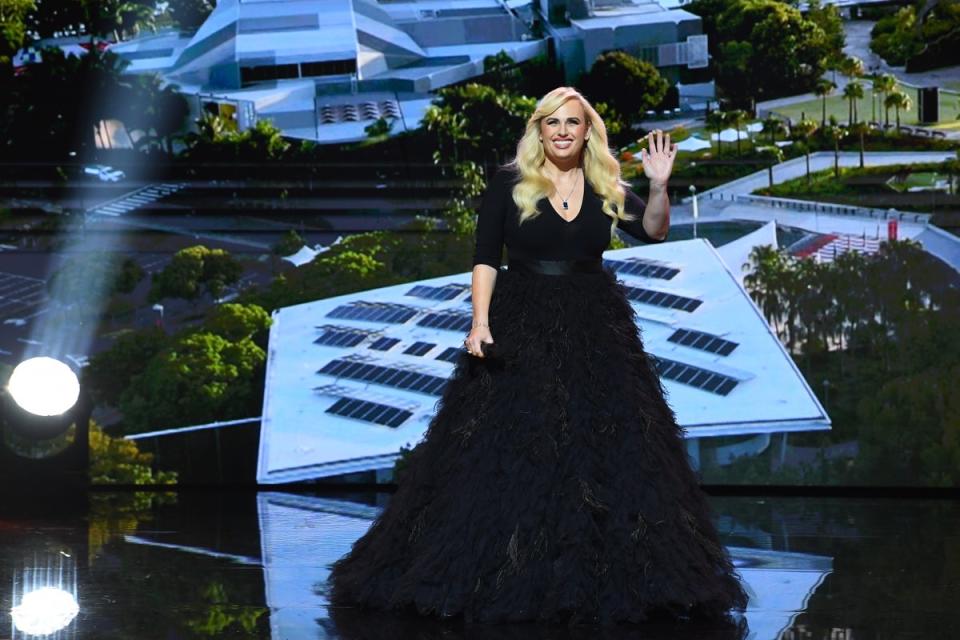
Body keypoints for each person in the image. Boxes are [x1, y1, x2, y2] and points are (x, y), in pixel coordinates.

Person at [327, 87, 751, 629]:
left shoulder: (606, 183)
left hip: (596, 324)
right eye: (552, 122)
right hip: (523, 319)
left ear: (586, 129)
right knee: (514, 449)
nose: (562, 131)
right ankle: (504, 572)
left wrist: (660, 185)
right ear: (539, 129)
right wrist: (480, 322)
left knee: (604, 450)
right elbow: (485, 258)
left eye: (573, 122)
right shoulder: (509, 183)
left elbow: (654, 231)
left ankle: (604, 576)